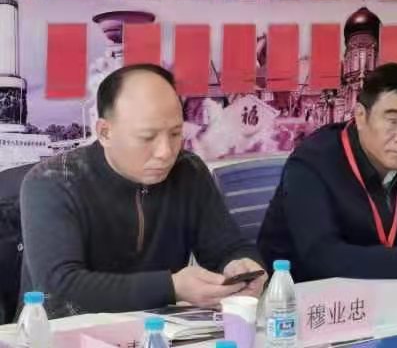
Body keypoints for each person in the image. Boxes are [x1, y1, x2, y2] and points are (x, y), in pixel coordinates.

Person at [19, 64, 265, 318]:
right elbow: (60, 288)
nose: (166, 152)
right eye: (147, 137)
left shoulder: (188, 171)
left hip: (162, 329)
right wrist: (171, 287)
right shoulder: (53, 181)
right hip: (63, 330)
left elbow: (228, 247)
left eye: (175, 133)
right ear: (105, 132)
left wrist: (241, 266)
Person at [258, 64, 397, 281]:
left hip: (383, 288)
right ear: (360, 116)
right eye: (392, 121)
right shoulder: (312, 161)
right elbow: (321, 255)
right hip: (299, 293)